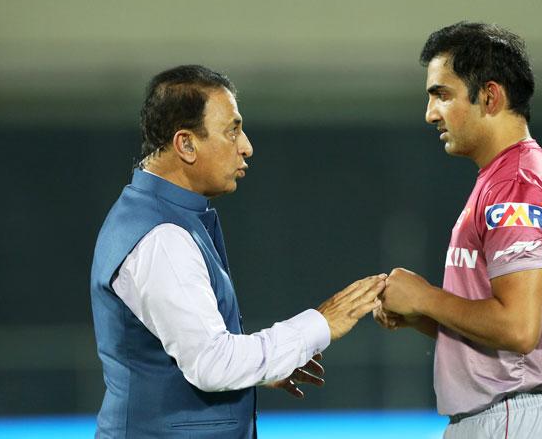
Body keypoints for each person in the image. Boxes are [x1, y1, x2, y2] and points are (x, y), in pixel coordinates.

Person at [90, 65, 385, 438]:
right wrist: (321, 323)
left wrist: (265, 366)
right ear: (186, 144)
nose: (246, 146)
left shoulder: (153, 215)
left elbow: (190, 354)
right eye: (232, 130)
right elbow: (212, 363)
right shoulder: (162, 236)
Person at [375, 22, 542, 438]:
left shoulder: (516, 186)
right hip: (503, 415)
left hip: (509, 417)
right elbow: (498, 338)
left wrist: (427, 296)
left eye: (442, 95)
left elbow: (518, 329)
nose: (430, 113)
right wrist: (421, 313)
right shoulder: (502, 179)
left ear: (490, 96)